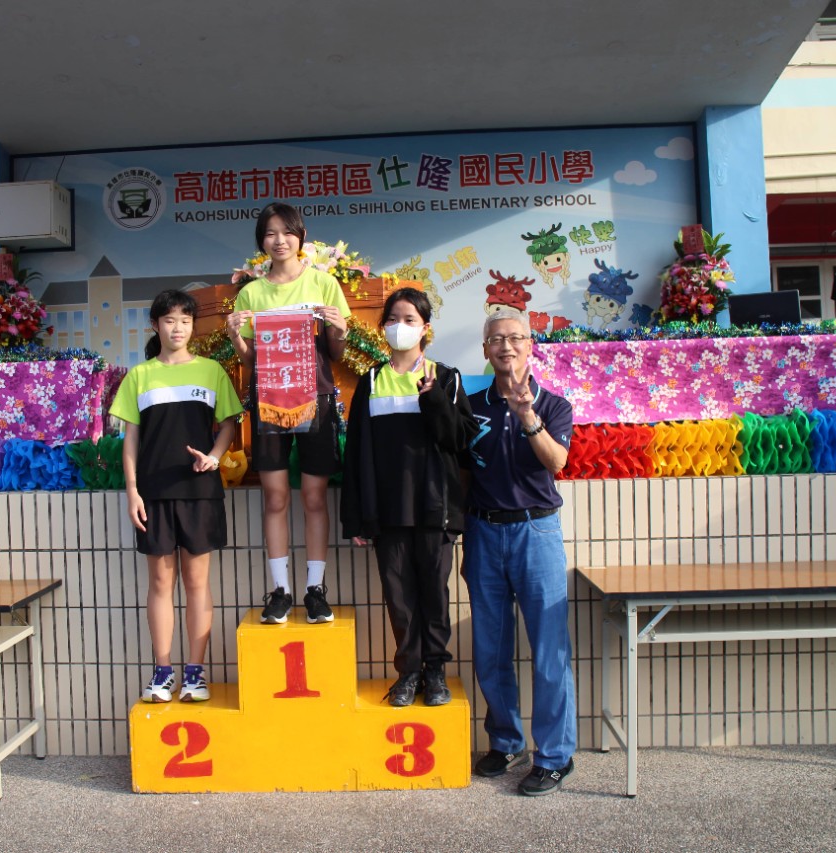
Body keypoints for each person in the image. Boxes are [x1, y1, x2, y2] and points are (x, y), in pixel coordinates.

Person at [341, 287, 477, 707]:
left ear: (425, 328)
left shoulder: (446, 377)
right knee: (399, 598)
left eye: (409, 319)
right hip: (389, 511)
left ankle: (435, 672)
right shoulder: (371, 381)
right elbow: (356, 452)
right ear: (383, 327)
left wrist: (433, 399)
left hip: (436, 508)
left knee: (434, 594)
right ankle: (409, 672)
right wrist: (358, 517)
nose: (399, 327)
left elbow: (460, 439)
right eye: (393, 319)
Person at [464, 307, 577, 797]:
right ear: (485, 350)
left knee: (549, 650)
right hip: (483, 532)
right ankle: (506, 741)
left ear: (531, 346)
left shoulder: (554, 405)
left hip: (537, 532)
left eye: (515, 338)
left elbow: (557, 461)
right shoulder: (469, 406)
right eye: (496, 339)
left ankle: (554, 757)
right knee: (490, 648)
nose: (505, 346)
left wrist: (527, 414)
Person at [110, 289, 242, 703]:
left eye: (185, 320)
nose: (178, 328)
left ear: (193, 326)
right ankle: (163, 671)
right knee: (160, 583)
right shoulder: (140, 376)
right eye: (169, 320)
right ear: (155, 325)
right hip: (154, 494)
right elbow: (131, 439)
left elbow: (229, 424)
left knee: (198, 583)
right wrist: (132, 491)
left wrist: (214, 458)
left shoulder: (211, 371)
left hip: (200, 493)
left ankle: (195, 674)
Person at [226, 202, 351, 624]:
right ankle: (280, 591)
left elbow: (336, 352)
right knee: (275, 497)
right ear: (261, 241)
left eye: (286, 232)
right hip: (268, 402)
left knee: (314, 497)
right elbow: (249, 360)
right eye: (270, 233)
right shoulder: (251, 293)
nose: (279, 241)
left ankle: (315, 589)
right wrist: (235, 337)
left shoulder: (324, 283)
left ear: (301, 236)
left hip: (315, 398)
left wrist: (339, 329)